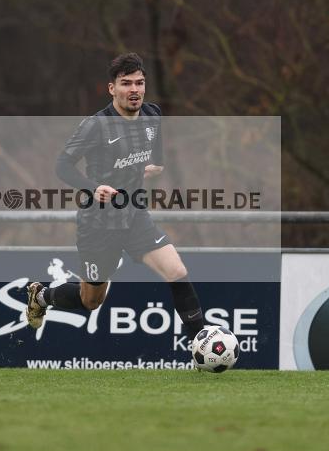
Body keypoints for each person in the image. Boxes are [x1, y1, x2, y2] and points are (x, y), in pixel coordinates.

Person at [25, 53, 204, 342]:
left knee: (176, 271)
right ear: (112, 89)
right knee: (91, 300)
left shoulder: (152, 114)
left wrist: (155, 165)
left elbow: (155, 153)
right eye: (126, 84)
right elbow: (62, 166)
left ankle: (201, 343)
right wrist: (93, 188)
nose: (134, 90)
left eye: (139, 83)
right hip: (98, 224)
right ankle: (42, 296)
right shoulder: (95, 125)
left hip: (134, 216)